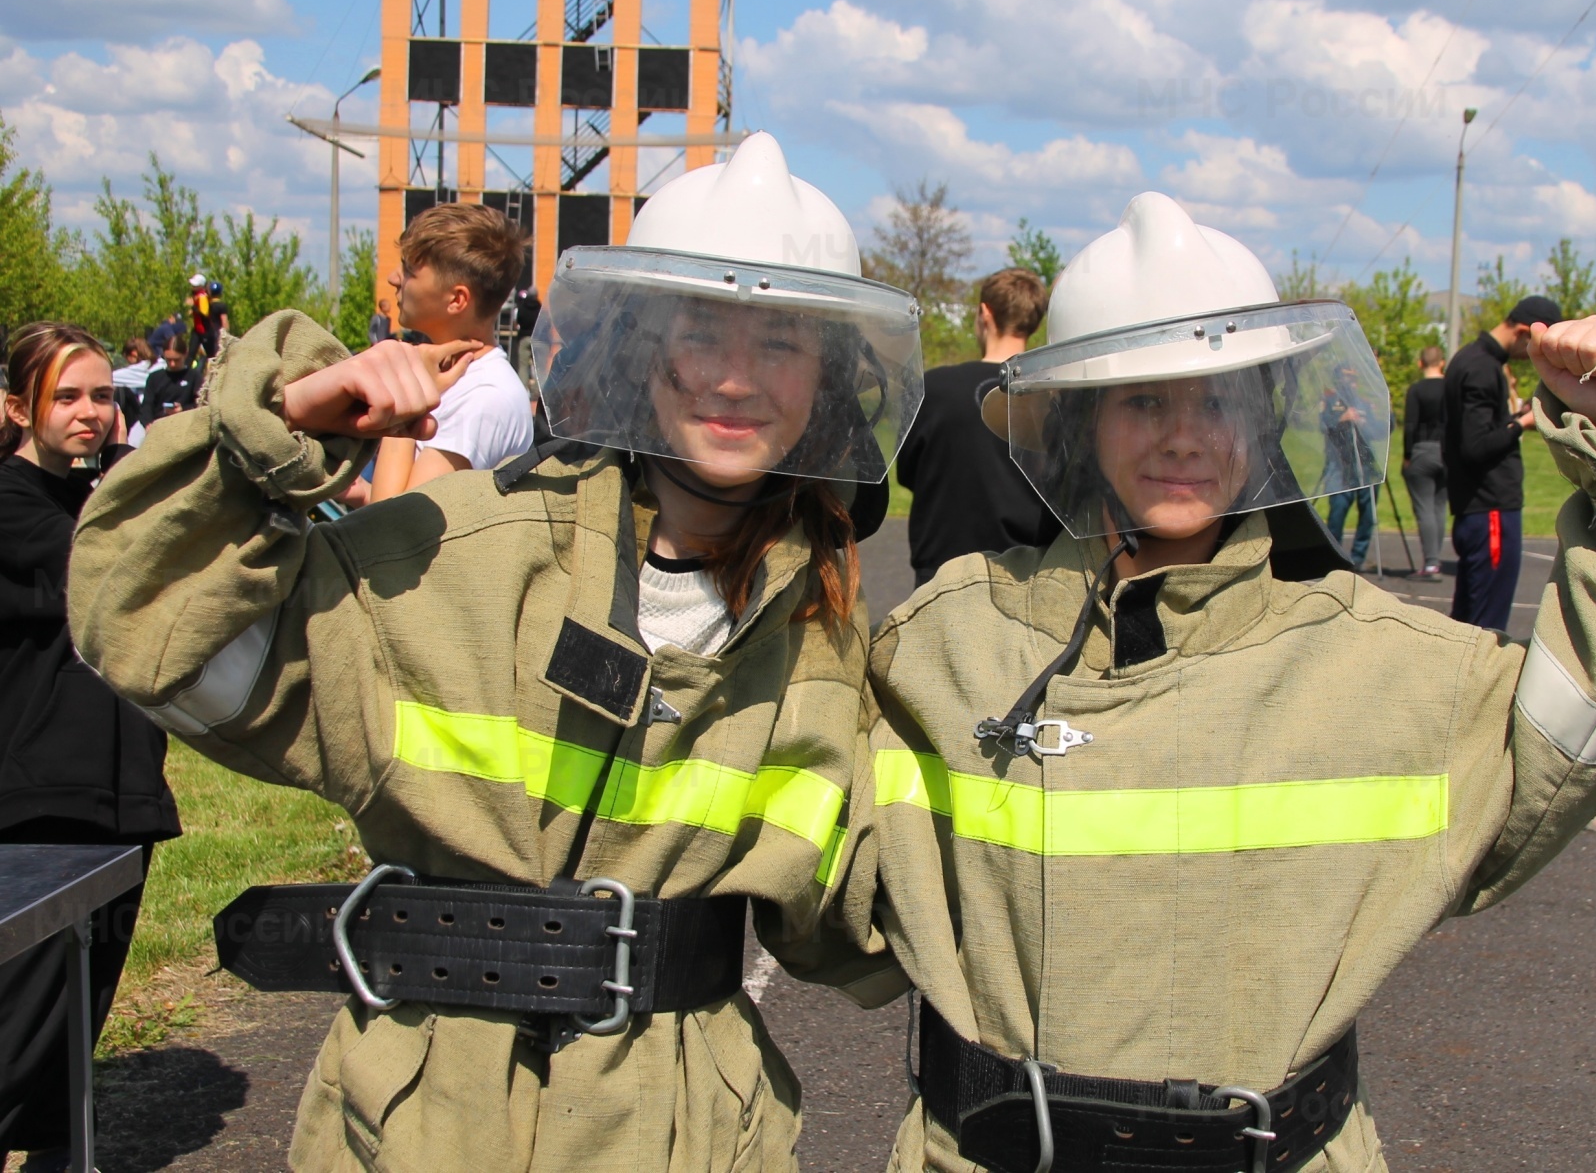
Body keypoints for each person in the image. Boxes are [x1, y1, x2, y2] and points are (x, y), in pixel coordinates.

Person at [838, 191, 1596, 1173]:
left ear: (1266, 422)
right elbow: (827, 904)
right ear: (1076, 423)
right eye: (1143, 399)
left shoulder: (1382, 665)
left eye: (1217, 399)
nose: (1182, 435)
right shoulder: (945, 643)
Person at [68, 133, 920, 1171]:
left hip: (685, 1134)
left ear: (829, 377)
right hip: (425, 1122)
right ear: (643, 347)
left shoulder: (819, 633)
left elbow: (865, 916)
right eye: (702, 332)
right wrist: (275, 439)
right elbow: (147, 633)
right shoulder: (457, 554)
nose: (736, 379)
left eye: (781, 343)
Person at [0, 325, 179, 1170]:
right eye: (67, 396)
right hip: (38, 797)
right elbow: (100, 565)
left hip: (121, 794)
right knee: (20, 1028)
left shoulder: (106, 498)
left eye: (104, 396)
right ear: (17, 405)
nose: (90, 412)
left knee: (77, 1024)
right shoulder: (12, 502)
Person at [897, 266, 1061, 586]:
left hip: (942, 576)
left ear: (984, 313)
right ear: (1035, 321)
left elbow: (907, 472)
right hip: (1027, 574)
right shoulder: (1050, 396)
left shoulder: (934, 388)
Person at [368, 203, 536, 502]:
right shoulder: (456, 377)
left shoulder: (485, 397)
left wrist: (405, 404)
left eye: (408, 270)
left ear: (457, 300)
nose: (394, 278)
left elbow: (391, 528)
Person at [1443, 295, 1563, 629]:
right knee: (1487, 627)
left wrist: (1511, 420)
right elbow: (1476, 446)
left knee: (1469, 621)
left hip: (1479, 506)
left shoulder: (1471, 359)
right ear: (1525, 332)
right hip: (1490, 508)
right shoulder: (1481, 367)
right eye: (1536, 345)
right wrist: (1522, 423)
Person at [1319, 378, 1378, 568]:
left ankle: (1358, 558)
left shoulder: (1365, 403)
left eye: (1354, 380)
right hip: (1339, 465)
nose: (1352, 384)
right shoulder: (1330, 401)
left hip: (1364, 464)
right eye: (1347, 379)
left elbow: (1381, 430)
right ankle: (1333, 557)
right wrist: (1341, 419)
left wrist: (1370, 420)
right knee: (1337, 511)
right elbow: (1323, 426)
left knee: (1368, 514)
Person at [1401, 344, 1449, 578]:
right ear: (1442, 362)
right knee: (1440, 506)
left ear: (1421, 364)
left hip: (1423, 450)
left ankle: (1430, 563)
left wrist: (1407, 455)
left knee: (1424, 508)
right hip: (1448, 452)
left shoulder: (1417, 390)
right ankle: (1435, 559)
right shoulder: (1452, 388)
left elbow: (1410, 424)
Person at [140, 331, 201, 424]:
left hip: (185, 423)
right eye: (168, 360)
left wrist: (183, 409)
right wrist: (148, 424)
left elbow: (200, 403)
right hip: (158, 423)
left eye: (176, 360)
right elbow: (147, 405)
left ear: (185, 354)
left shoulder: (194, 377)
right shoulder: (154, 377)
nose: (172, 364)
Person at [111, 336, 160, 434]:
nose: (128, 363)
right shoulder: (162, 364)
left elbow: (110, 377)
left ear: (133, 354)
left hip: (145, 417)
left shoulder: (140, 370)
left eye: (127, 358)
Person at [185, 274, 229, 361]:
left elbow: (205, 314)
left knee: (211, 355)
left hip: (206, 331)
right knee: (194, 355)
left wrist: (193, 307)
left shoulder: (203, 297)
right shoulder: (201, 298)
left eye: (195, 285)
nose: (192, 287)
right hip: (202, 330)